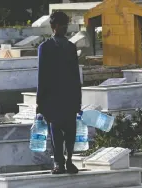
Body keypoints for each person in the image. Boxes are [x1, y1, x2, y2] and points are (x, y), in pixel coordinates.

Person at [36, 11, 82, 174]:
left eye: (66, 25)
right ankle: (58, 162)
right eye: (61, 25)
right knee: (55, 130)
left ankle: (69, 160)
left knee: (70, 131)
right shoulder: (45, 48)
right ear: (53, 27)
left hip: (69, 96)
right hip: (52, 97)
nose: (64, 28)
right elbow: (42, 75)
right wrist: (40, 102)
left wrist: (78, 100)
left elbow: (76, 76)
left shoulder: (70, 47)